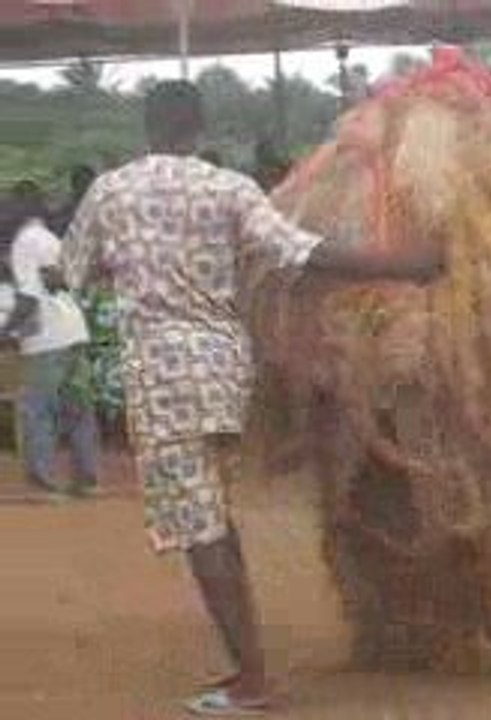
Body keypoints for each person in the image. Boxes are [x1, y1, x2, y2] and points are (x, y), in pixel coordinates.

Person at [62, 80, 444, 716]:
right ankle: (248, 666)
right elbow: (306, 255)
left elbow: (77, 272)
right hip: (224, 366)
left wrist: (137, 269)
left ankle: (252, 679)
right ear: (199, 127)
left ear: (148, 126)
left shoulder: (111, 191)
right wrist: (404, 265)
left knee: (199, 526)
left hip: (161, 374)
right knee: (214, 516)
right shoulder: (229, 187)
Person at [9, 181, 99, 497]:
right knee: (77, 408)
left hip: (46, 339)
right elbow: (63, 280)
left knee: (37, 409)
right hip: (74, 331)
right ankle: (86, 479)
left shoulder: (23, 242)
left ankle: (41, 481)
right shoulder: (49, 238)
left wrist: (6, 331)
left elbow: (29, 298)